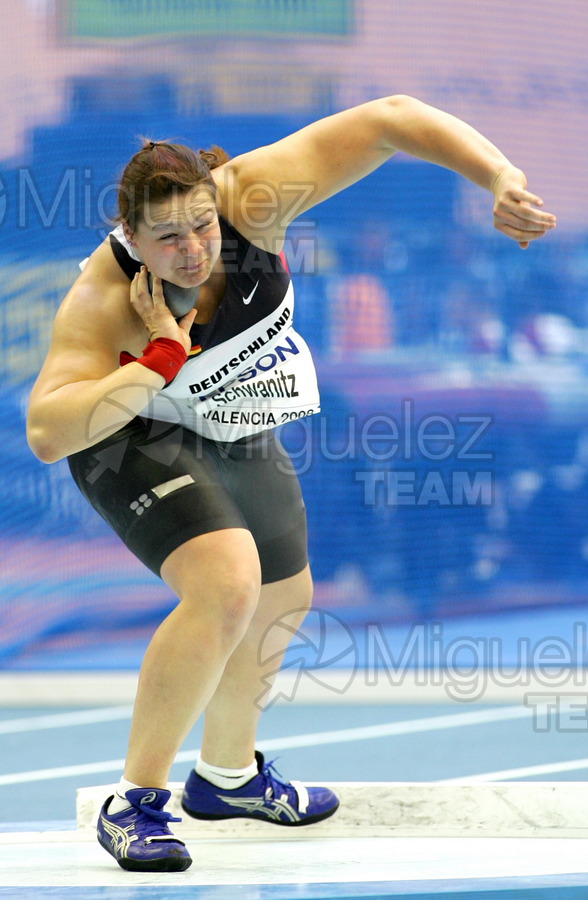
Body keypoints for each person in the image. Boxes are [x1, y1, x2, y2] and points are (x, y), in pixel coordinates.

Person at [26, 94, 556, 872]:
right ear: (130, 239)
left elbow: (390, 119)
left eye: (201, 226)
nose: (193, 250)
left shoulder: (251, 199)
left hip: (228, 418)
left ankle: (228, 777)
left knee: (283, 593)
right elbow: (47, 432)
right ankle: (133, 802)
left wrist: (499, 176)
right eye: (167, 238)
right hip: (130, 430)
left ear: (219, 201)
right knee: (225, 581)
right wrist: (159, 362)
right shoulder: (101, 304)